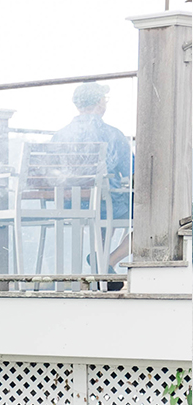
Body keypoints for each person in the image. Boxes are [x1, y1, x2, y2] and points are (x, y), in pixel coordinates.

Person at [52, 80, 132, 267]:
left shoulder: (60, 135)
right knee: (149, 218)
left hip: (70, 204)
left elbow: (51, 175)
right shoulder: (112, 134)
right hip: (105, 205)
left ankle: (99, 263)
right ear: (100, 103)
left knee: (103, 205)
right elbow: (133, 171)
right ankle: (108, 261)